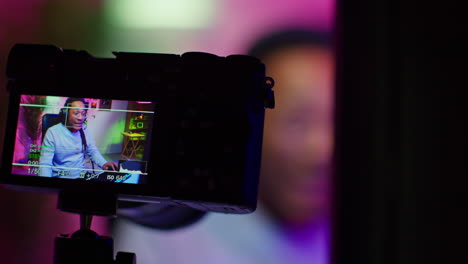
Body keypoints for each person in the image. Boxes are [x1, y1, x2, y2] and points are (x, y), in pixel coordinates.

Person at [112, 28, 334, 264]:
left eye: (338, 122)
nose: (322, 149)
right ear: (245, 122)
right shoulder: (168, 229)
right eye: (297, 121)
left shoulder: (366, 231)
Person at [39, 97, 118, 178]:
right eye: (76, 113)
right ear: (65, 114)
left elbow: (92, 150)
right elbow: (45, 164)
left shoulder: (84, 129)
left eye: (83, 113)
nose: (81, 118)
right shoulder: (52, 132)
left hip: (82, 175)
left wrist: (103, 163)